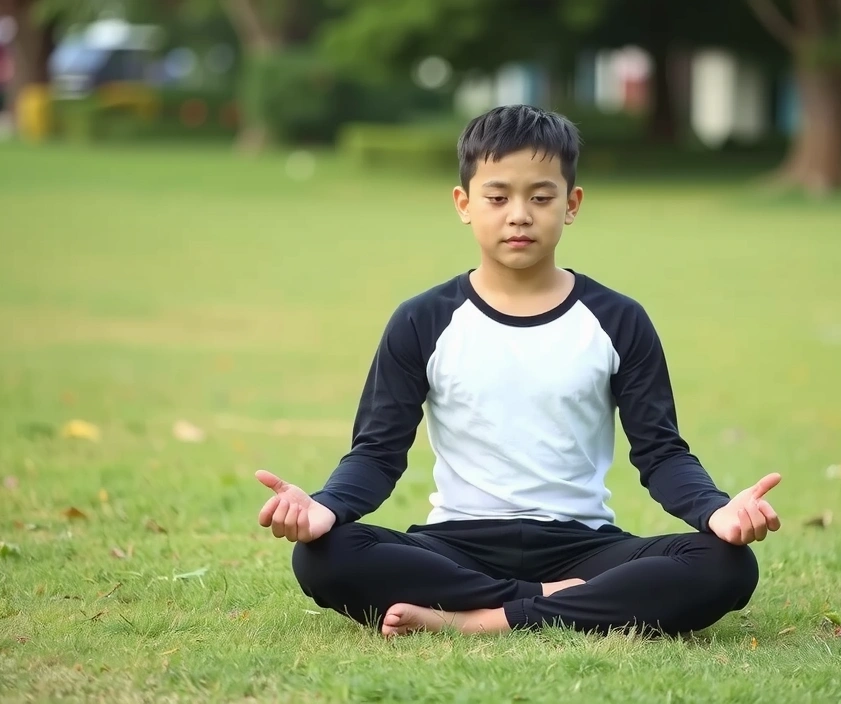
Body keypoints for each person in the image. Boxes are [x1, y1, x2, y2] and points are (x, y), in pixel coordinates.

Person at [254, 104, 782, 639]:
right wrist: (325, 507)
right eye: (498, 196)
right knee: (324, 556)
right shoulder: (422, 319)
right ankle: (555, 605)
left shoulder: (619, 320)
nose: (519, 214)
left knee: (726, 565)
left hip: (584, 544)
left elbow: (661, 452)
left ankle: (480, 621)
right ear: (464, 203)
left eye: (541, 197)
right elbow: (376, 453)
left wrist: (716, 512)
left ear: (571, 204)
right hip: (458, 546)